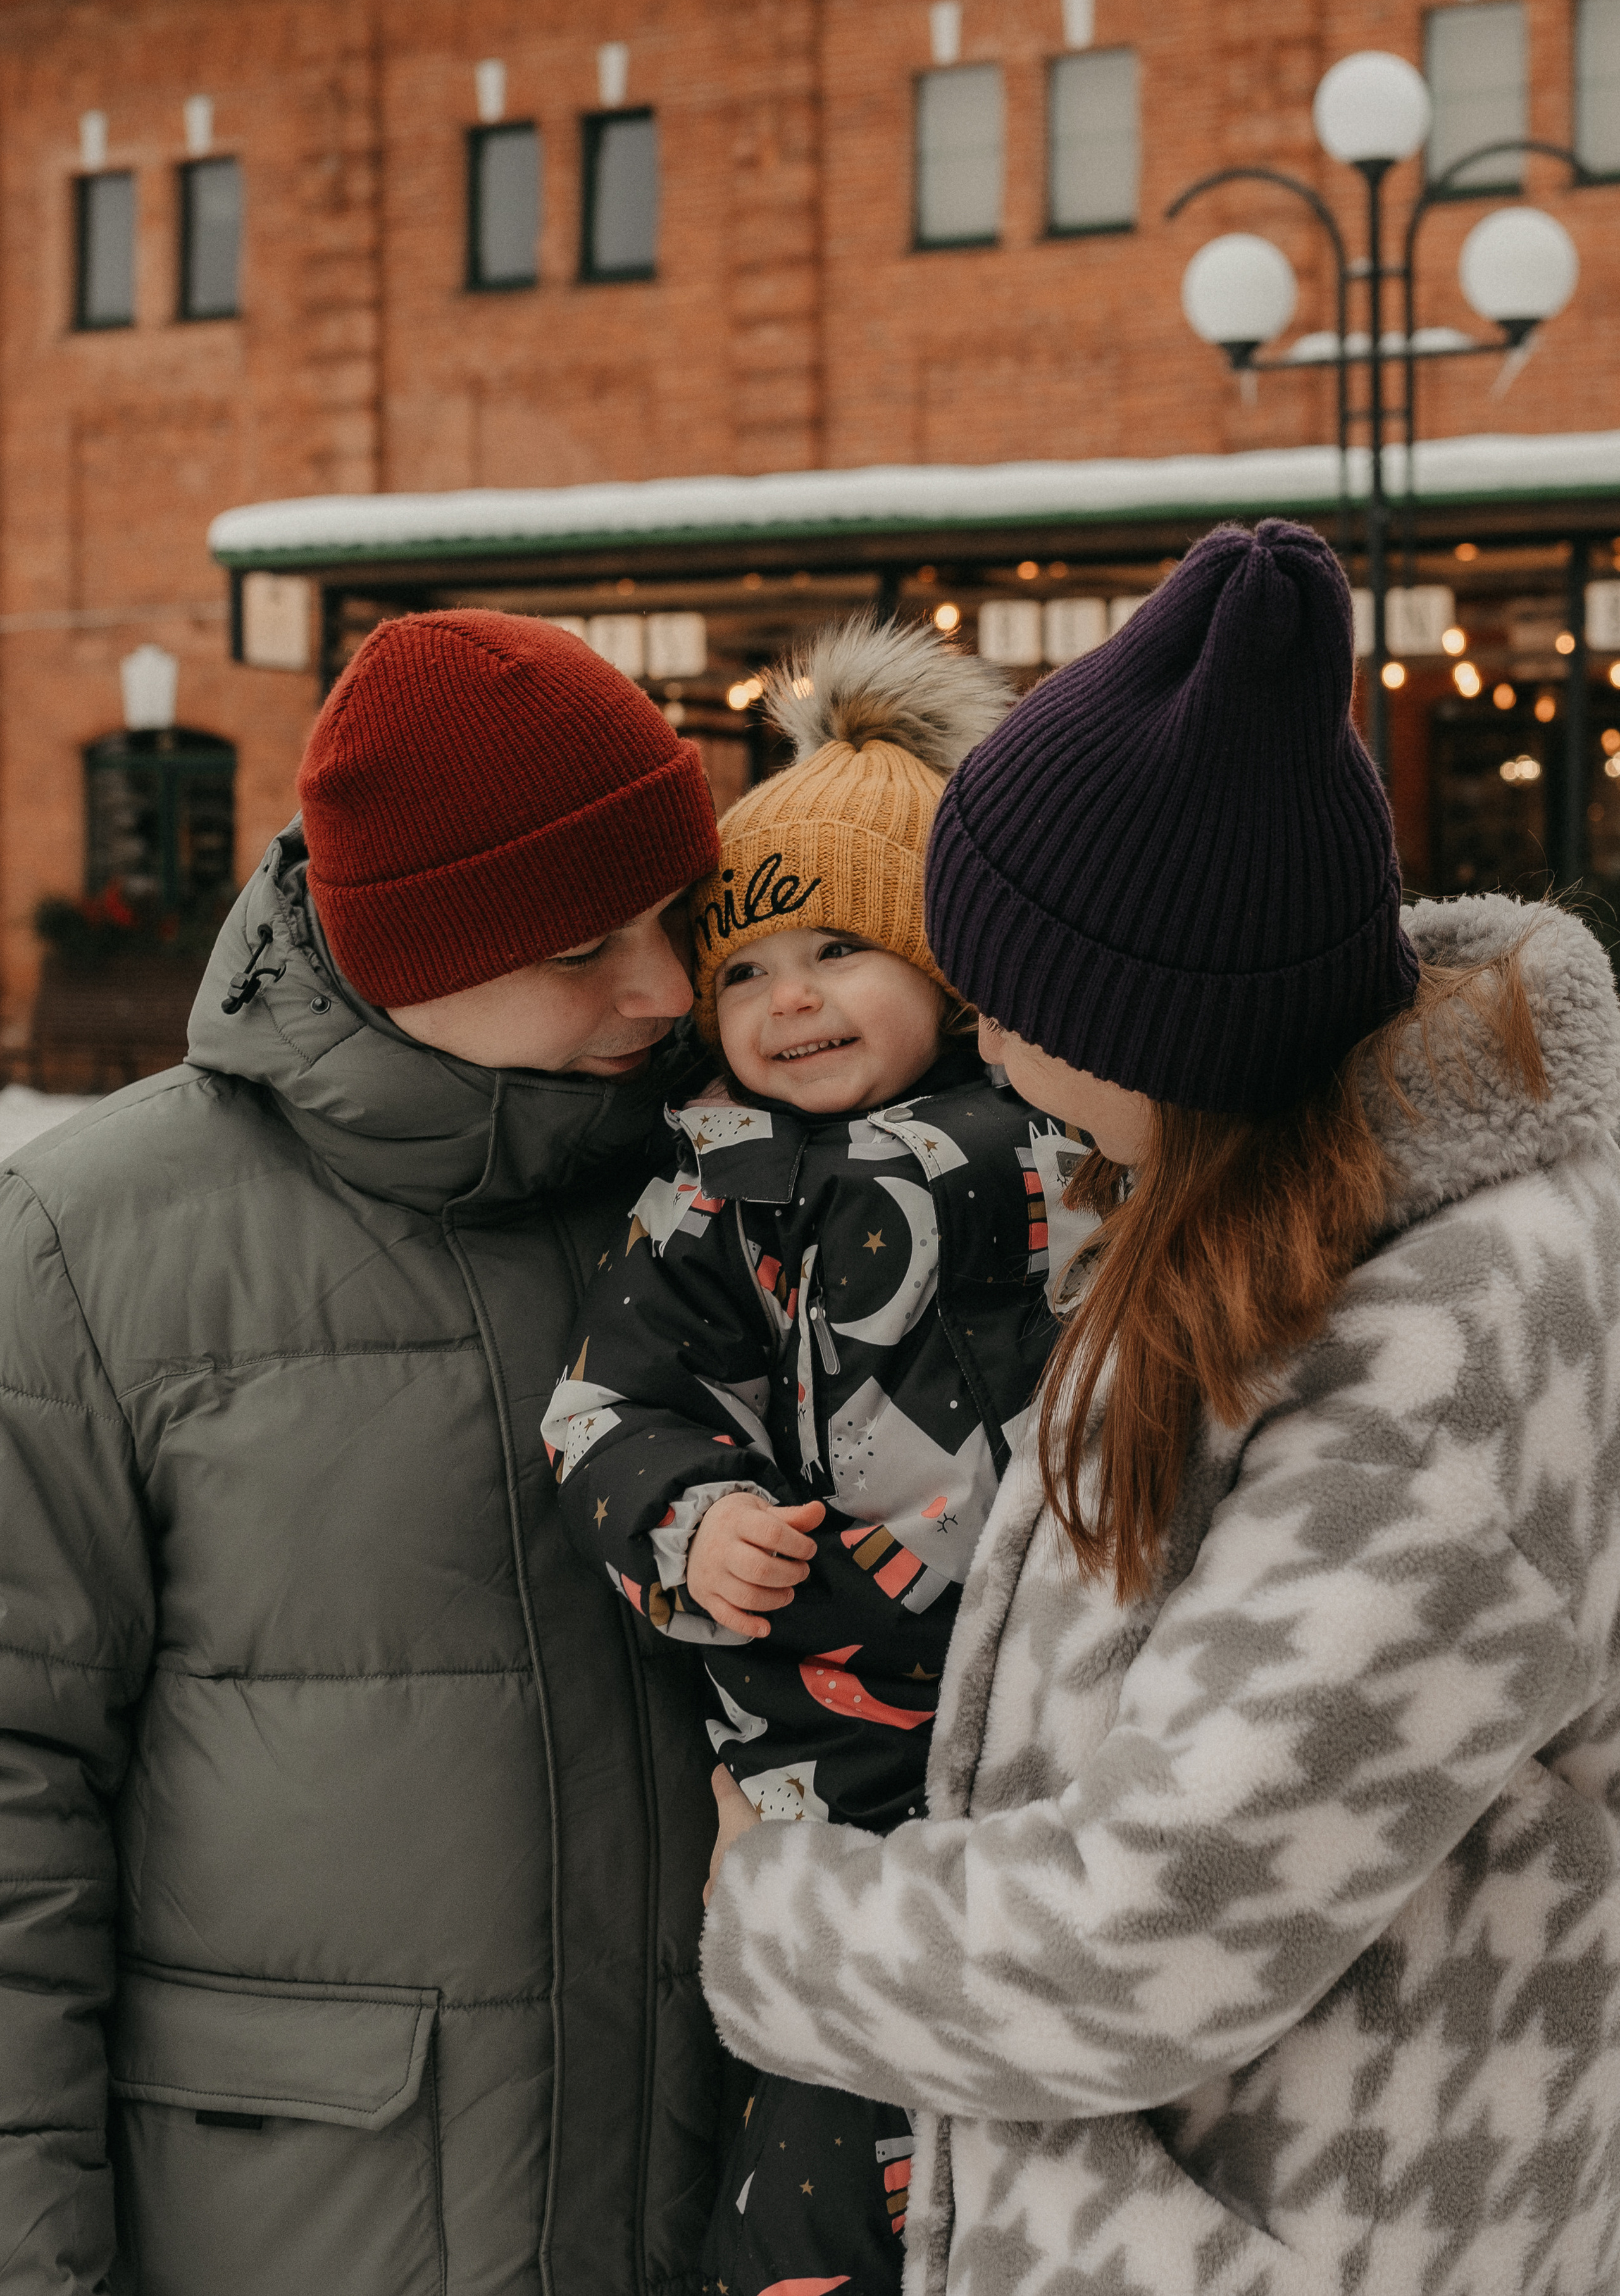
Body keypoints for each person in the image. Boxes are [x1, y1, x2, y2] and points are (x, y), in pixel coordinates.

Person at [699, 522, 1620, 2296]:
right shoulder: (1292, 1214)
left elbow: (1141, 1937)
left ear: (1141, 1035)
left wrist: (775, 1915)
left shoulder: (1434, 1376)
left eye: (1006, 995)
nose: (978, 1029)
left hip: (1313, 2224)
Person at [0, 609, 727, 2296]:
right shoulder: (84, 1251)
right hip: (307, 2227)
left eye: (678, 919)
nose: (666, 989)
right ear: (406, 947)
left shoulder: (745, 1196)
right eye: (583, 948)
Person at [549, 619, 1084, 2296]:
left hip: (1072, 1743)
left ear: (953, 965)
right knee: (825, 2152)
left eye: (840, 952)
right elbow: (605, 1403)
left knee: (1066, 2133)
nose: (789, 1003)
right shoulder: (726, 1195)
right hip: (830, 1765)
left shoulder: (1080, 1154)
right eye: (749, 972)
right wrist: (689, 1524)